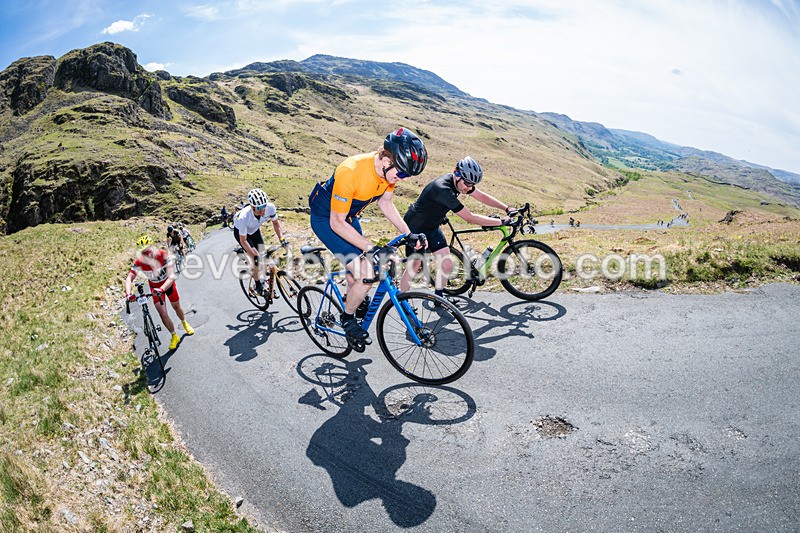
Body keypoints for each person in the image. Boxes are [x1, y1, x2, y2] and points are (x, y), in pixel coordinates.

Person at [308, 127, 428, 343]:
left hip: (349, 216)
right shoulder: (351, 171)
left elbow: (386, 202)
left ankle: (351, 297)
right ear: (385, 161)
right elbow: (337, 223)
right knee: (366, 271)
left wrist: (408, 233)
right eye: (401, 173)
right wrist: (371, 248)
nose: (403, 179)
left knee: (360, 270)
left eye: (407, 175)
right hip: (327, 219)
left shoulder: (388, 174)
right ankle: (347, 318)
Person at [399, 156, 514, 298]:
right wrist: (501, 222)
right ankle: (401, 300)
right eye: (467, 184)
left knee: (446, 264)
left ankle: (439, 298)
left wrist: (506, 208)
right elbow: (469, 218)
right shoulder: (443, 188)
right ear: (457, 174)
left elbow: (482, 196)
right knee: (414, 265)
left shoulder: (460, 183)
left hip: (432, 226)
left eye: (472, 185)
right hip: (415, 227)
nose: (469, 188)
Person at [125, 235, 194, 350]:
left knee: (176, 306)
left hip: (168, 285)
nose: (147, 255)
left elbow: (172, 276)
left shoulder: (163, 255)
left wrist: (162, 288)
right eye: (143, 253)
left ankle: (184, 322)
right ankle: (174, 335)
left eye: (148, 251)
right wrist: (128, 294)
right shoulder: (139, 262)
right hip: (154, 287)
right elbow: (129, 279)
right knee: (162, 314)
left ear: (152, 248)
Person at [233, 188, 288, 295]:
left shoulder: (270, 208)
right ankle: (258, 284)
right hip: (242, 234)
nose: (263, 210)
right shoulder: (244, 217)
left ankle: (265, 282)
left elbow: (276, 224)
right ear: (252, 207)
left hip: (254, 231)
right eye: (259, 208)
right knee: (257, 260)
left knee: (264, 257)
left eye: (264, 206)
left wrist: (282, 239)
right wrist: (254, 256)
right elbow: (243, 240)